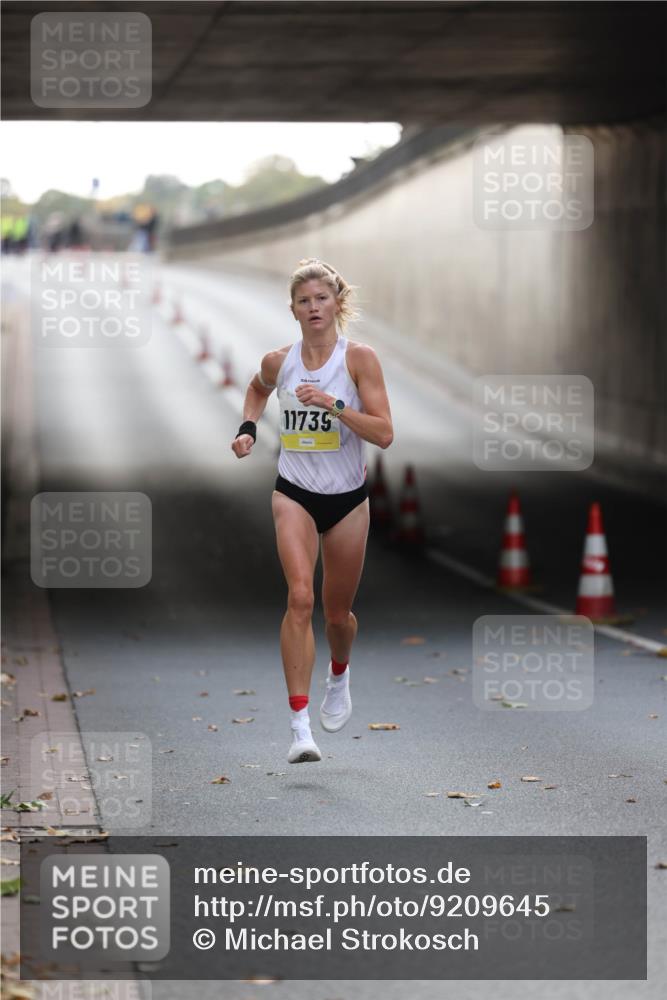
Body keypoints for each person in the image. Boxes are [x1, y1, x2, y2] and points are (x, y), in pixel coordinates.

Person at [231, 258, 393, 763]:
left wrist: (333, 406)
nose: (313, 308)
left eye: (322, 298)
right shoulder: (280, 362)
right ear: (294, 310)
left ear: (337, 303)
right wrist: (248, 428)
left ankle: (339, 674)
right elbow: (258, 388)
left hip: (347, 500)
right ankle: (300, 728)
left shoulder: (358, 360)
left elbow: (384, 434)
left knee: (336, 614)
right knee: (299, 598)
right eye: (304, 301)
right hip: (294, 492)